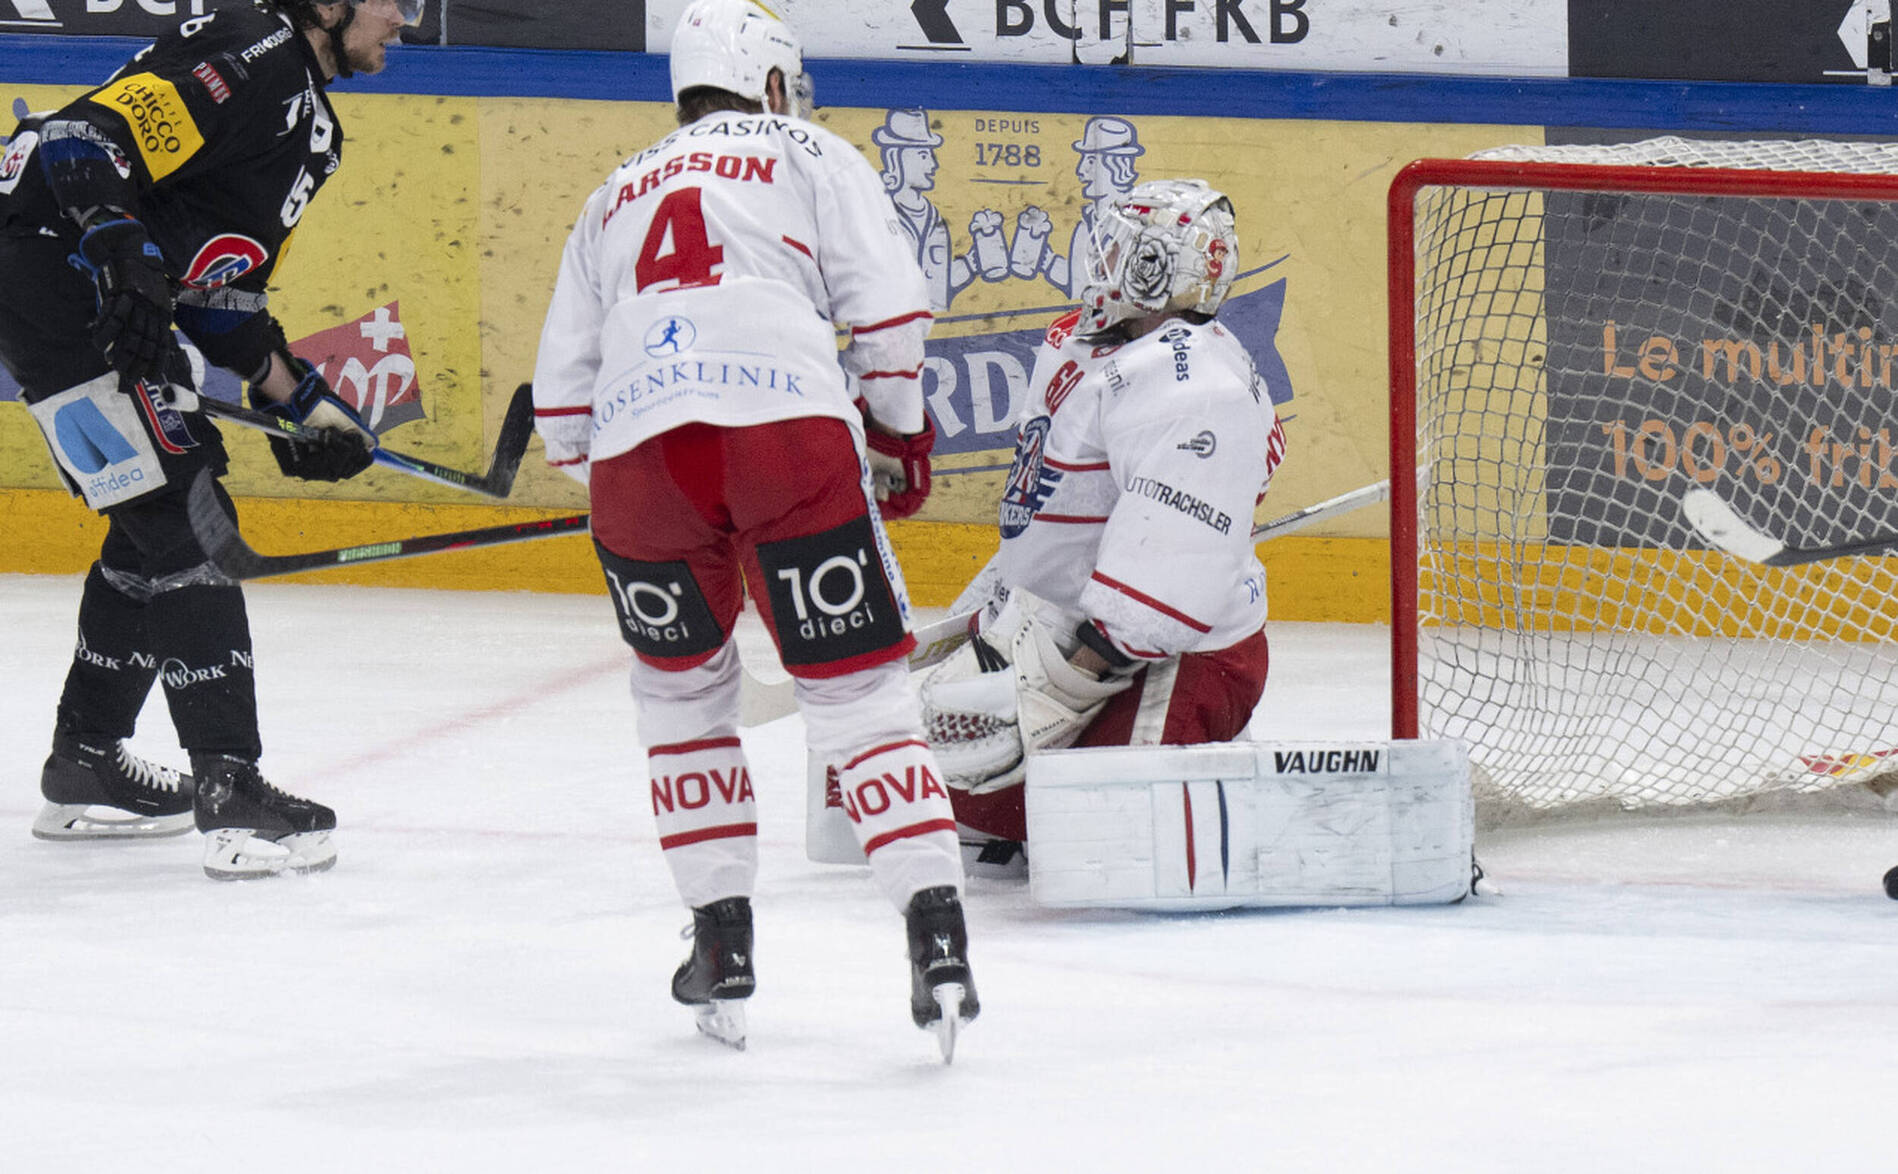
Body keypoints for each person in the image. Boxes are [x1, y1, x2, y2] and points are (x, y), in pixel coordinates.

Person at [531, 0, 978, 1054]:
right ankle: (935, 932)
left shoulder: (609, 195)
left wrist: (647, 484)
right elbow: (885, 308)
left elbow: (561, 412)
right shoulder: (809, 150)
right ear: (772, 84)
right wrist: (898, 433)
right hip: (787, 431)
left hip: (638, 461)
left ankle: (719, 938)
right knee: (858, 696)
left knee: (681, 698)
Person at [0, 0, 425, 878]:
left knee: (149, 514)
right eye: (394, 1)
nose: (406, 21)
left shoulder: (315, 134)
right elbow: (82, 138)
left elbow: (223, 305)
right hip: (47, 266)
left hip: (72, 286)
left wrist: (308, 410)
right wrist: (120, 260)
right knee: (188, 517)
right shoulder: (256, 47)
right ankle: (229, 786)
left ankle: (86, 759)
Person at [920, 178, 1285, 862]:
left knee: (1105, 840)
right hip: (1064, 632)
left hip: (1171, 658)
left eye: (1120, 246)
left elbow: (1172, 562)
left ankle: (1222, 789)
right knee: (964, 785)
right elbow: (1049, 500)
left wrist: (1068, 684)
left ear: (1152, 267)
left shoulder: (1193, 385)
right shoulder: (1083, 344)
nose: (1100, 258)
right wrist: (996, 601)